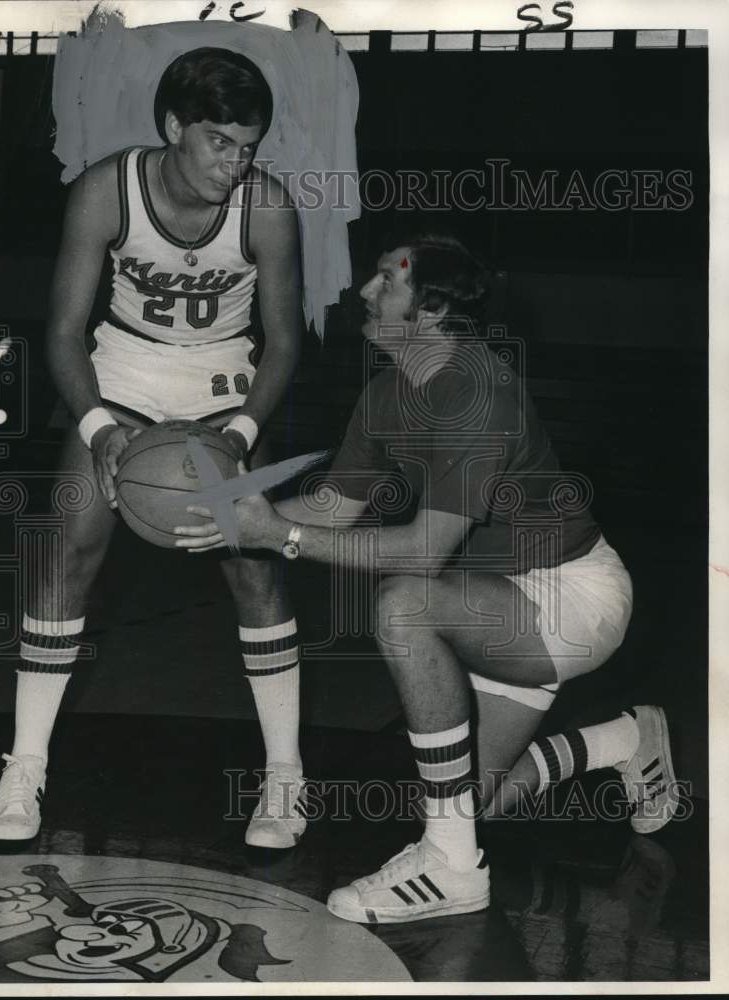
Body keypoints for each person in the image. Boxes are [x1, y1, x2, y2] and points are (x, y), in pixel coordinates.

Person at [174, 232, 680, 923]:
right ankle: (625, 740)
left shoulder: (478, 393)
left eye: (386, 281)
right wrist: (226, 522)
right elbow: (331, 507)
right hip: (491, 602)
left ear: (433, 310)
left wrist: (278, 536)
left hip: (570, 597)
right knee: (477, 803)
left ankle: (450, 869)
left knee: (404, 606)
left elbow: (420, 554)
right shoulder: (386, 393)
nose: (364, 291)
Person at [0, 47, 308, 850]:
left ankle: (284, 781)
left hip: (224, 384)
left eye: (248, 145)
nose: (236, 163)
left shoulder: (265, 207)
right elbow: (60, 332)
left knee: (253, 567)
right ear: (173, 127)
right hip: (122, 372)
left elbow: (285, 343)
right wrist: (96, 426)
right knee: (67, 554)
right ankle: (24, 770)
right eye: (219, 142)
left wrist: (237, 437)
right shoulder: (105, 190)